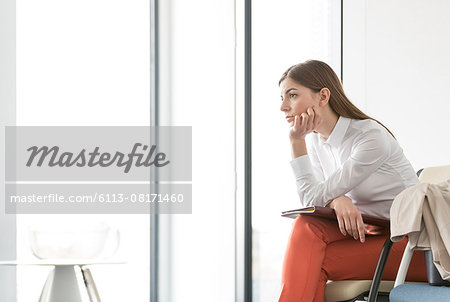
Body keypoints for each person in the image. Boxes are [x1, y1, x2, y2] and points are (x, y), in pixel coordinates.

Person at [277, 60, 427, 302]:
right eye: (282, 98)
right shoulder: (317, 142)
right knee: (308, 227)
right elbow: (318, 200)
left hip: (413, 246)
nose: (283, 107)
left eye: (292, 95)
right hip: (372, 236)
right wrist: (338, 199)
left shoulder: (369, 137)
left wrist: (296, 142)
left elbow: (312, 198)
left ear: (323, 96)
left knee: (310, 261)